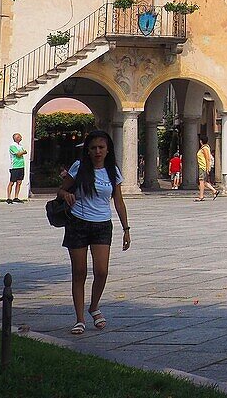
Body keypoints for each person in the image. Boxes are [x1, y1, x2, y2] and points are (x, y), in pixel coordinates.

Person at [56, 130, 130, 335]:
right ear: (87, 151)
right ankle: (79, 318)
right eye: (93, 148)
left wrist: (126, 228)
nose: (97, 151)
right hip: (78, 223)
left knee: (101, 271)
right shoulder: (79, 168)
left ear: (108, 150)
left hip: (102, 225)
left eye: (101, 147)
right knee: (79, 272)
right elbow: (61, 190)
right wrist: (66, 196)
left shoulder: (113, 171)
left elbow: (118, 201)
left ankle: (94, 306)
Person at [195, 135, 220, 201]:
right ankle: (214, 191)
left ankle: (201, 196)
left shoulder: (205, 148)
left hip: (203, 167)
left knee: (201, 181)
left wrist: (208, 168)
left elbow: (207, 158)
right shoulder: (204, 148)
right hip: (202, 166)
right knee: (202, 181)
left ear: (201, 141)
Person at [7, 132, 27, 203]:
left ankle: (16, 197)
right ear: (16, 138)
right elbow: (18, 154)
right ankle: (9, 197)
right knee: (12, 182)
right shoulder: (12, 146)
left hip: (21, 166)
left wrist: (23, 152)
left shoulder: (20, 145)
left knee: (19, 182)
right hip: (14, 166)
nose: (21, 137)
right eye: (19, 136)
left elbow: (24, 152)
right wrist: (23, 152)